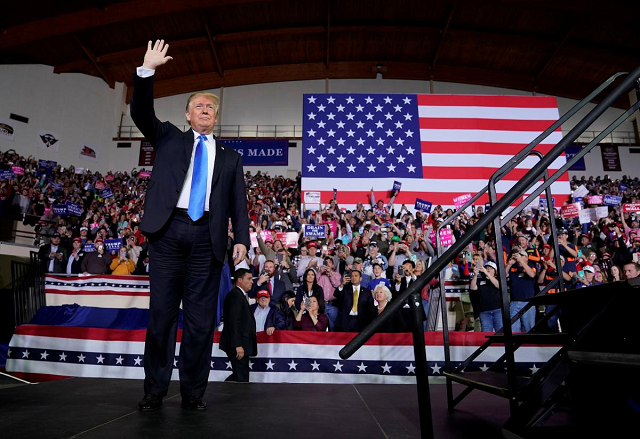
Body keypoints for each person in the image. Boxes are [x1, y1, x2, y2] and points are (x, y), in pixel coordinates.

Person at [132, 40, 249, 412]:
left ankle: (193, 394)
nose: (206, 109)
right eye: (199, 105)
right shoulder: (167, 136)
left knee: (200, 325)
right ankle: (154, 390)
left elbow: (238, 204)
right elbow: (140, 112)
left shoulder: (231, 157)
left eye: (211, 107)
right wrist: (147, 71)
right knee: (161, 318)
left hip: (207, 239)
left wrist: (242, 239)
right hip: (167, 234)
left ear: (216, 118)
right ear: (186, 114)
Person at [219, 269, 257, 384]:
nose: (252, 282)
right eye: (249, 279)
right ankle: (240, 400)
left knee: (239, 375)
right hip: (238, 345)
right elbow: (233, 322)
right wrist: (237, 345)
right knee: (241, 378)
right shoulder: (235, 296)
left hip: (241, 344)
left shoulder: (239, 295)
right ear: (240, 280)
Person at [469, 261, 503, 332]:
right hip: (484, 311)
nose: (488, 269)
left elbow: (499, 285)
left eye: (490, 268)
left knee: (500, 331)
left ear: (495, 271)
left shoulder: (498, 278)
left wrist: (487, 273)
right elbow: (472, 287)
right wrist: (475, 275)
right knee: (486, 332)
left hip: (497, 310)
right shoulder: (480, 279)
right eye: (486, 268)